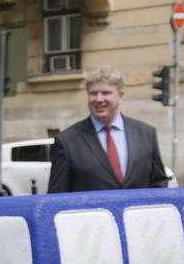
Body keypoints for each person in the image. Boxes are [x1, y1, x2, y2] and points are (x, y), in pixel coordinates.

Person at [47, 65, 169, 193]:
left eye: (106, 93)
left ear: (120, 96)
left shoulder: (146, 134)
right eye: (93, 93)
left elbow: (158, 182)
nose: (99, 99)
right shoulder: (67, 141)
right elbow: (56, 196)